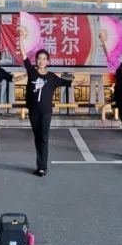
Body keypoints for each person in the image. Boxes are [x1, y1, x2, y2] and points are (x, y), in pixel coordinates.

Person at [18, 38, 75, 176]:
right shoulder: (32, 72)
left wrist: (73, 79)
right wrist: (20, 38)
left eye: (44, 59)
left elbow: (66, 82)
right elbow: (23, 55)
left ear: (48, 61)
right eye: (39, 59)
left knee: (43, 137)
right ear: (36, 60)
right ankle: (40, 164)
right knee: (37, 137)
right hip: (33, 112)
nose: (41, 61)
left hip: (46, 112)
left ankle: (42, 167)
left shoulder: (52, 77)